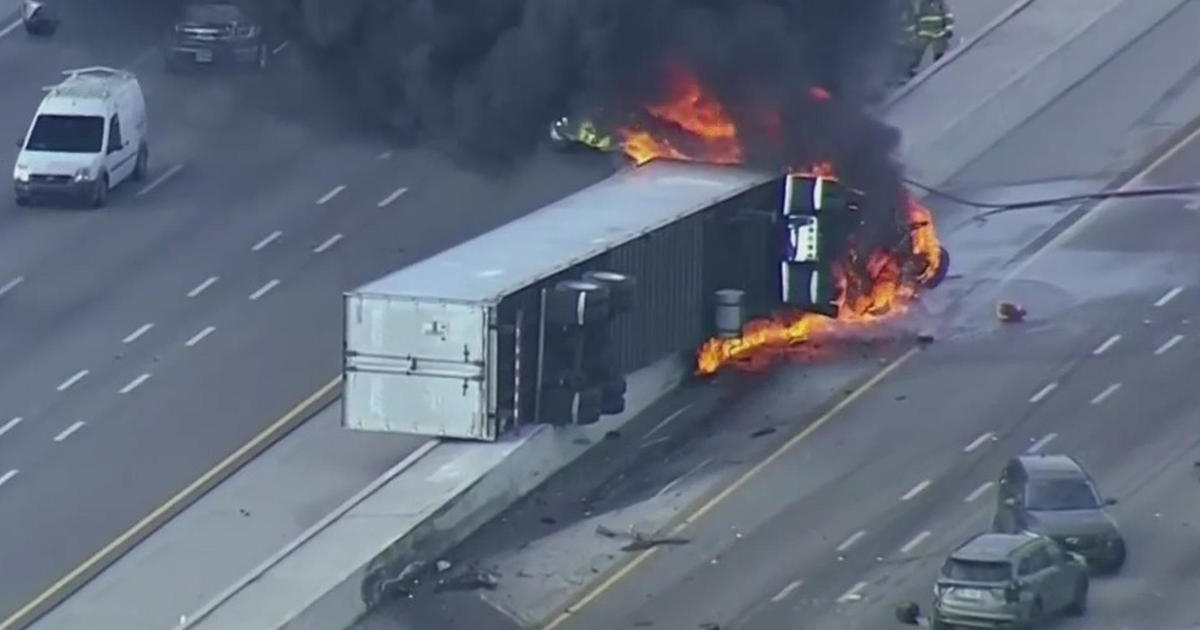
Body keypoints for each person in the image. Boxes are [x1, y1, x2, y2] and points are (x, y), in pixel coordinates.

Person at [905, 0, 955, 77]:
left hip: (939, 32)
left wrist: (948, 29)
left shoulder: (940, 3)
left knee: (939, 50)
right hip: (924, 33)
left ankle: (939, 67)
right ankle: (912, 69)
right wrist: (912, 33)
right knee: (916, 50)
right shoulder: (922, 4)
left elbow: (948, 16)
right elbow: (915, 19)